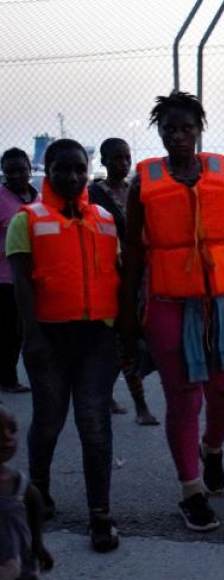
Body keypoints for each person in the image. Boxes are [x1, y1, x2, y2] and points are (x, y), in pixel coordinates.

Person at [119, 91, 224, 532]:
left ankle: (212, 448)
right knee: (184, 399)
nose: (178, 135)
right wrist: (127, 313)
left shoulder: (220, 176)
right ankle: (191, 490)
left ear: (199, 129)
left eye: (186, 127)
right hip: (169, 304)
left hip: (223, 302)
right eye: (169, 128)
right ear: (161, 132)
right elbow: (132, 251)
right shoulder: (144, 182)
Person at [6, 138, 122, 551]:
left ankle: (100, 515)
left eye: (79, 169)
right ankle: (39, 491)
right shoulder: (27, 220)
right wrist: (33, 339)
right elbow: (21, 285)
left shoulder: (106, 219)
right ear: (48, 171)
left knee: (94, 425)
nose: (72, 176)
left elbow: (117, 277)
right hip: (49, 341)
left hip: (96, 340)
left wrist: (123, 336)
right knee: (49, 422)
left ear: (88, 171)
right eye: (62, 169)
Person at [88, 137, 159, 425]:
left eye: (126, 158)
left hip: (143, 274)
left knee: (141, 339)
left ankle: (104, 391)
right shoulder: (94, 195)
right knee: (125, 339)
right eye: (116, 158)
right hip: (114, 276)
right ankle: (140, 406)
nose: (122, 164)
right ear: (103, 161)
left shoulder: (136, 190)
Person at [0, 405, 54, 578]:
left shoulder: (17, 482)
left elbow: (33, 502)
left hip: (19, 567)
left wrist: (37, 544)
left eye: (12, 430)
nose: (8, 438)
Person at [0, 148, 37, 396]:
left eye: (21, 169)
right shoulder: (1, 198)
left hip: (34, 276)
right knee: (9, 331)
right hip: (5, 277)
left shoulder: (39, 197)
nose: (16, 175)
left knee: (27, 329)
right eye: (10, 170)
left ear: (29, 169)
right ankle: (8, 379)